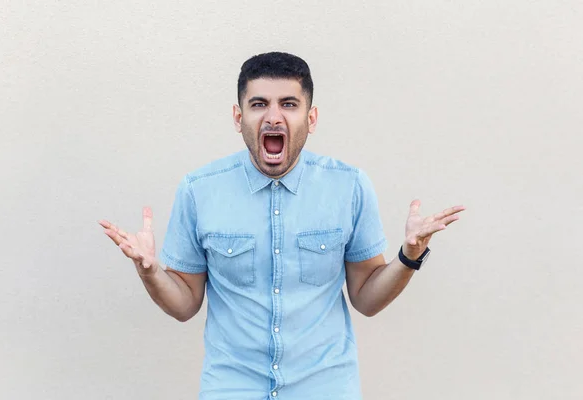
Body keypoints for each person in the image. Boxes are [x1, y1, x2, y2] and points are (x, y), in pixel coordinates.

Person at [99, 51, 465, 399]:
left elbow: (366, 298)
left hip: (325, 387)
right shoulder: (199, 190)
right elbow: (184, 305)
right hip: (231, 388)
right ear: (238, 117)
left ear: (312, 117)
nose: (273, 117)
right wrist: (149, 271)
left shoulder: (349, 186)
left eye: (288, 104)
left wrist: (409, 256)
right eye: (259, 104)